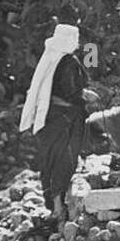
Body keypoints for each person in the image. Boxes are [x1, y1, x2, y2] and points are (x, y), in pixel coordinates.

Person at [20, 23, 89, 226]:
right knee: (65, 160)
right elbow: (71, 91)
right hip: (66, 118)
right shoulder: (68, 61)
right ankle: (59, 209)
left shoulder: (50, 58)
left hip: (49, 118)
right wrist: (86, 95)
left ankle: (54, 205)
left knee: (49, 160)